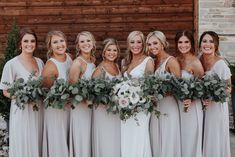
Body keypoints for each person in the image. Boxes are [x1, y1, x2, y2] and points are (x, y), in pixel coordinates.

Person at [0, 28, 44, 157]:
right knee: (23, 142)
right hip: (22, 110)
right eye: (26, 41)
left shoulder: (40, 62)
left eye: (32, 41)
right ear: (20, 44)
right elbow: (5, 91)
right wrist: (22, 98)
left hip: (38, 110)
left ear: (36, 44)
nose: (29, 44)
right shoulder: (11, 64)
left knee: (36, 141)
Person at [146, 31, 181, 157]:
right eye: (149, 44)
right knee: (155, 139)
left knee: (168, 139)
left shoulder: (171, 61)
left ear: (163, 43)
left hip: (168, 107)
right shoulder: (153, 62)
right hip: (155, 107)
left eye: (155, 43)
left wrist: (162, 92)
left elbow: (179, 87)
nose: (152, 47)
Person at [121, 31, 154, 157]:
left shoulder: (148, 61)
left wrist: (136, 98)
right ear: (128, 44)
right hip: (125, 108)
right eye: (132, 42)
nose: (136, 45)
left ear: (143, 44)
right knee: (127, 137)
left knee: (139, 137)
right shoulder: (124, 62)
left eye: (139, 42)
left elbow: (149, 87)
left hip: (141, 107)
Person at [199, 31, 231, 157]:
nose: (207, 44)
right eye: (204, 41)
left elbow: (228, 88)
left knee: (214, 138)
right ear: (200, 44)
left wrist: (213, 98)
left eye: (211, 41)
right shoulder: (198, 60)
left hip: (216, 108)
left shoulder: (221, 64)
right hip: (201, 107)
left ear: (216, 45)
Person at [42, 30, 72, 157]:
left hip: (69, 110)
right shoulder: (50, 65)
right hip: (56, 111)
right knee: (58, 143)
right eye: (55, 42)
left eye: (61, 40)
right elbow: (45, 92)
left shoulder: (69, 58)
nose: (60, 44)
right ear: (50, 46)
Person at [175, 30, 204, 157]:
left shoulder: (195, 62)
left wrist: (192, 98)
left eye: (186, 42)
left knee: (190, 139)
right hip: (177, 105)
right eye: (180, 42)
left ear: (191, 43)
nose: (183, 45)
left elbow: (202, 87)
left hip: (191, 107)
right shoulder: (175, 60)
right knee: (180, 139)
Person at [92, 38, 121, 157]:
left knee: (115, 141)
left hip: (116, 111)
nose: (112, 53)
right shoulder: (99, 70)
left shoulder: (117, 67)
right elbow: (92, 93)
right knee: (105, 141)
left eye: (114, 50)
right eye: (109, 50)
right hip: (103, 111)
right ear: (103, 52)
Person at [69, 31, 96, 157]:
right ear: (78, 45)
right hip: (80, 109)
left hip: (91, 109)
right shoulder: (77, 63)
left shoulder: (93, 61)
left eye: (88, 40)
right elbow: (72, 90)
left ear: (93, 43)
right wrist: (85, 99)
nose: (86, 44)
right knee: (82, 140)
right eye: (82, 41)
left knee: (90, 140)